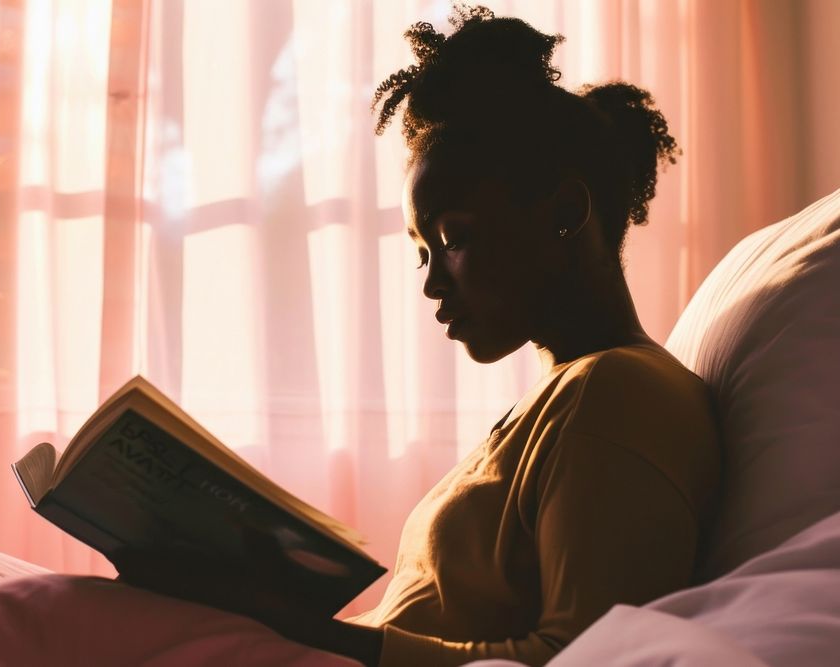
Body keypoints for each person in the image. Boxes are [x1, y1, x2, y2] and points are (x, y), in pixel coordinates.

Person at [115, 5, 721, 667]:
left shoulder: (618, 391)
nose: (431, 284)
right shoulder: (560, 402)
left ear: (566, 214)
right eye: (421, 251)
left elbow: (578, 656)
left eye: (453, 238)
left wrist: (297, 626)